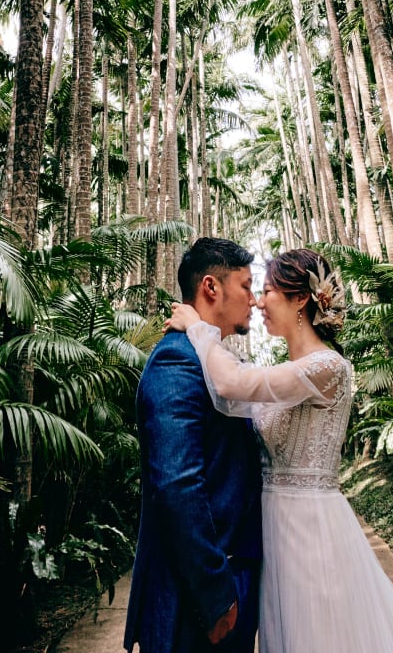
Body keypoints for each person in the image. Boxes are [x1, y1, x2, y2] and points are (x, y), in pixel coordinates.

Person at [164, 247, 393, 653]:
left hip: (311, 528)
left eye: (269, 290)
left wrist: (197, 328)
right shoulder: (287, 371)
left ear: (300, 299)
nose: (258, 301)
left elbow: (231, 385)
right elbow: (236, 395)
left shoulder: (327, 368)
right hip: (273, 529)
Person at [123, 237, 263, 653]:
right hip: (199, 595)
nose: (253, 300)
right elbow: (176, 483)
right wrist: (215, 595)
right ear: (211, 287)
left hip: (230, 578)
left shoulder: (209, 356)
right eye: (246, 286)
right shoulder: (176, 360)